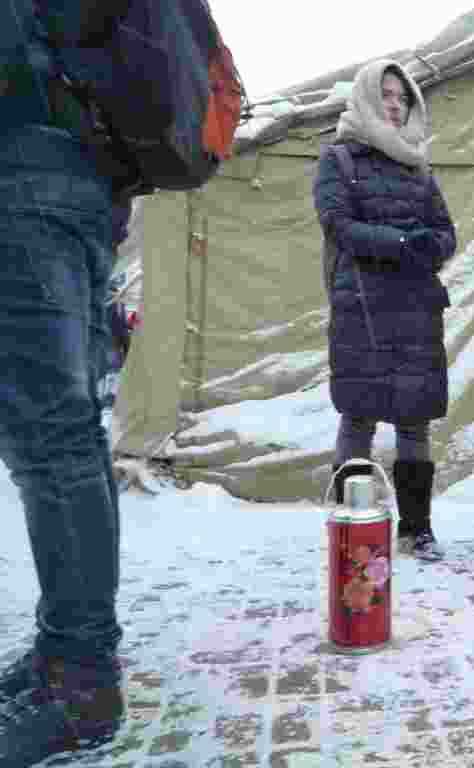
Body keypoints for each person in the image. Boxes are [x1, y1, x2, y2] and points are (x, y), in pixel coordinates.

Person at [0, 2, 126, 763]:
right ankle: (68, 651)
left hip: (21, 173)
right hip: (79, 179)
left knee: (50, 443)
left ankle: (82, 679)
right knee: (70, 437)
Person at [314, 59, 455, 562]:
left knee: (415, 417)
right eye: (387, 95)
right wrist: (400, 242)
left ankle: (416, 529)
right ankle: (351, 525)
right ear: (368, 99)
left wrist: (429, 246)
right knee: (360, 413)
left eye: (403, 98)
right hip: (362, 306)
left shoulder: (419, 167)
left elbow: (445, 232)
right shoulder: (340, 159)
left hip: (416, 306)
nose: (395, 105)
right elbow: (338, 225)